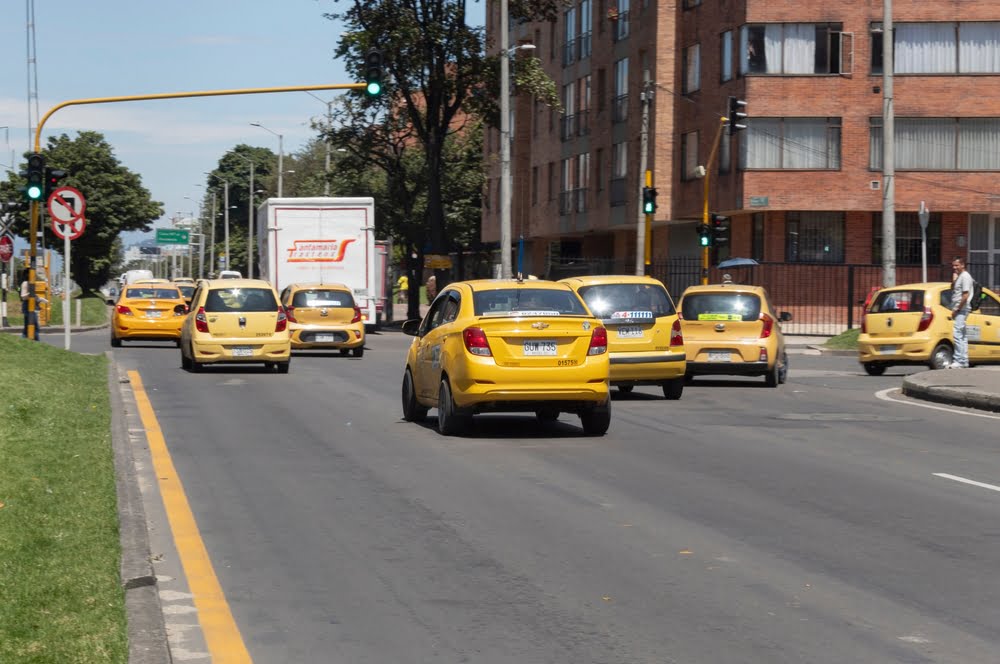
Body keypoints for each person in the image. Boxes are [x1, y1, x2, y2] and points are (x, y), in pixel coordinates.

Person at [949, 256, 974, 369]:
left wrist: (957, 309)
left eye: (957, 265)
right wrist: (954, 279)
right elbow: (953, 288)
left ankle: (959, 360)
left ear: (963, 265)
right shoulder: (959, 276)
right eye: (953, 265)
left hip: (962, 309)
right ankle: (964, 360)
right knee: (962, 335)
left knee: (957, 334)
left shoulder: (965, 276)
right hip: (960, 309)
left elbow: (965, 295)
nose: (954, 267)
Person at [19, 269, 45, 341]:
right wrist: (31, 294)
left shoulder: (30, 283)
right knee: (34, 326)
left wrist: (40, 300)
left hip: (31, 305)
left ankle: (23, 341)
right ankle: (37, 342)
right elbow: (23, 296)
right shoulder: (25, 283)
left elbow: (33, 296)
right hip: (27, 305)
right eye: (33, 274)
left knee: (28, 327)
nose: (34, 276)